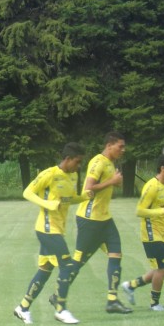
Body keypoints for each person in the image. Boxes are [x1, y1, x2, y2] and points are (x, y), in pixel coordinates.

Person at [50, 132, 133, 316]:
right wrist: (111, 181)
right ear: (109, 145)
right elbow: (88, 188)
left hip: (105, 219)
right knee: (78, 261)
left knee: (116, 254)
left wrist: (113, 183)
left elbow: (105, 185)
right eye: (120, 146)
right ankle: (57, 294)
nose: (123, 150)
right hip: (90, 219)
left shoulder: (110, 164)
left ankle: (112, 300)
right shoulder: (98, 162)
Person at [13, 143, 91, 325]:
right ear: (68, 159)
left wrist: (84, 197)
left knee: (45, 270)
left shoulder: (72, 176)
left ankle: (22, 308)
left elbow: (67, 200)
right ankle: (61, 309)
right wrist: (47, 205)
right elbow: (27, 192)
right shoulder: (49, 174)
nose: (79, 166)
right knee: (66, 265)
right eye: (77, 162)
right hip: (46, 229)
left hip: (58, 229)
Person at [121, 154, 164, 311]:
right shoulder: (151, 186)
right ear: (163, 169)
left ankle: (130, 285)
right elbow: (140, 211)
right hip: (150, 234)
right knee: (161, 268)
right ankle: (154, 304)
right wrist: (163, 211)